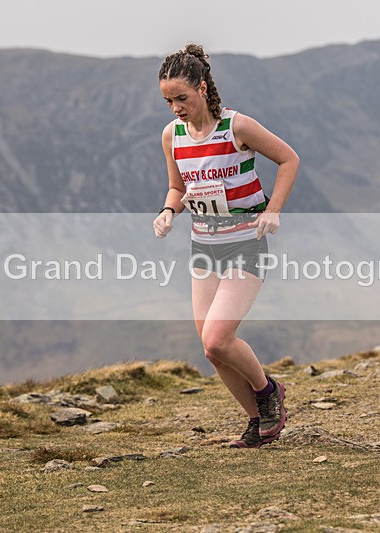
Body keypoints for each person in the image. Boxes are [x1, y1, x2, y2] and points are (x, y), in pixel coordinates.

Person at [153, 44, 300, 447]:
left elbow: (289, 159)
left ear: (202, 88)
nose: (176, 108)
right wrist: (168, 211)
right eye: (168, 101)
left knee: (218, 337)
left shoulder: (238, 127)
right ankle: (257, 422)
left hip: (245, 245)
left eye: (182, 98)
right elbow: (178, 187)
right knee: (211, 350)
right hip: (204, 247)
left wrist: (273, 209)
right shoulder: (172, 135)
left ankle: (269, 392)